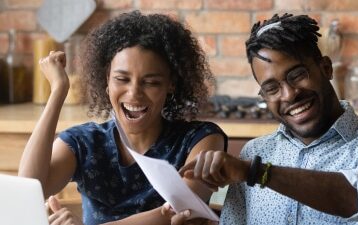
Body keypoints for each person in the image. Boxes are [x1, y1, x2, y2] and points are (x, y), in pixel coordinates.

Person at [172, 13, 358, 225]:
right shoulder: (257, 151)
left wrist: (257, 172)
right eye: (272, 88)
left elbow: (356, 198)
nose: (290, 94)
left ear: (326, 68)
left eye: (297, 75)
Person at [18, 11, 227, 225]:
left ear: (171, 84)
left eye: (151, 82)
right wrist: (58, 91)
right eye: (121, 79)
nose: (134, 93)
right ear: (106, 80)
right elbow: (29, 188)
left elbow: (183, 210)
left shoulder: (201, 139)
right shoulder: (85, 143)